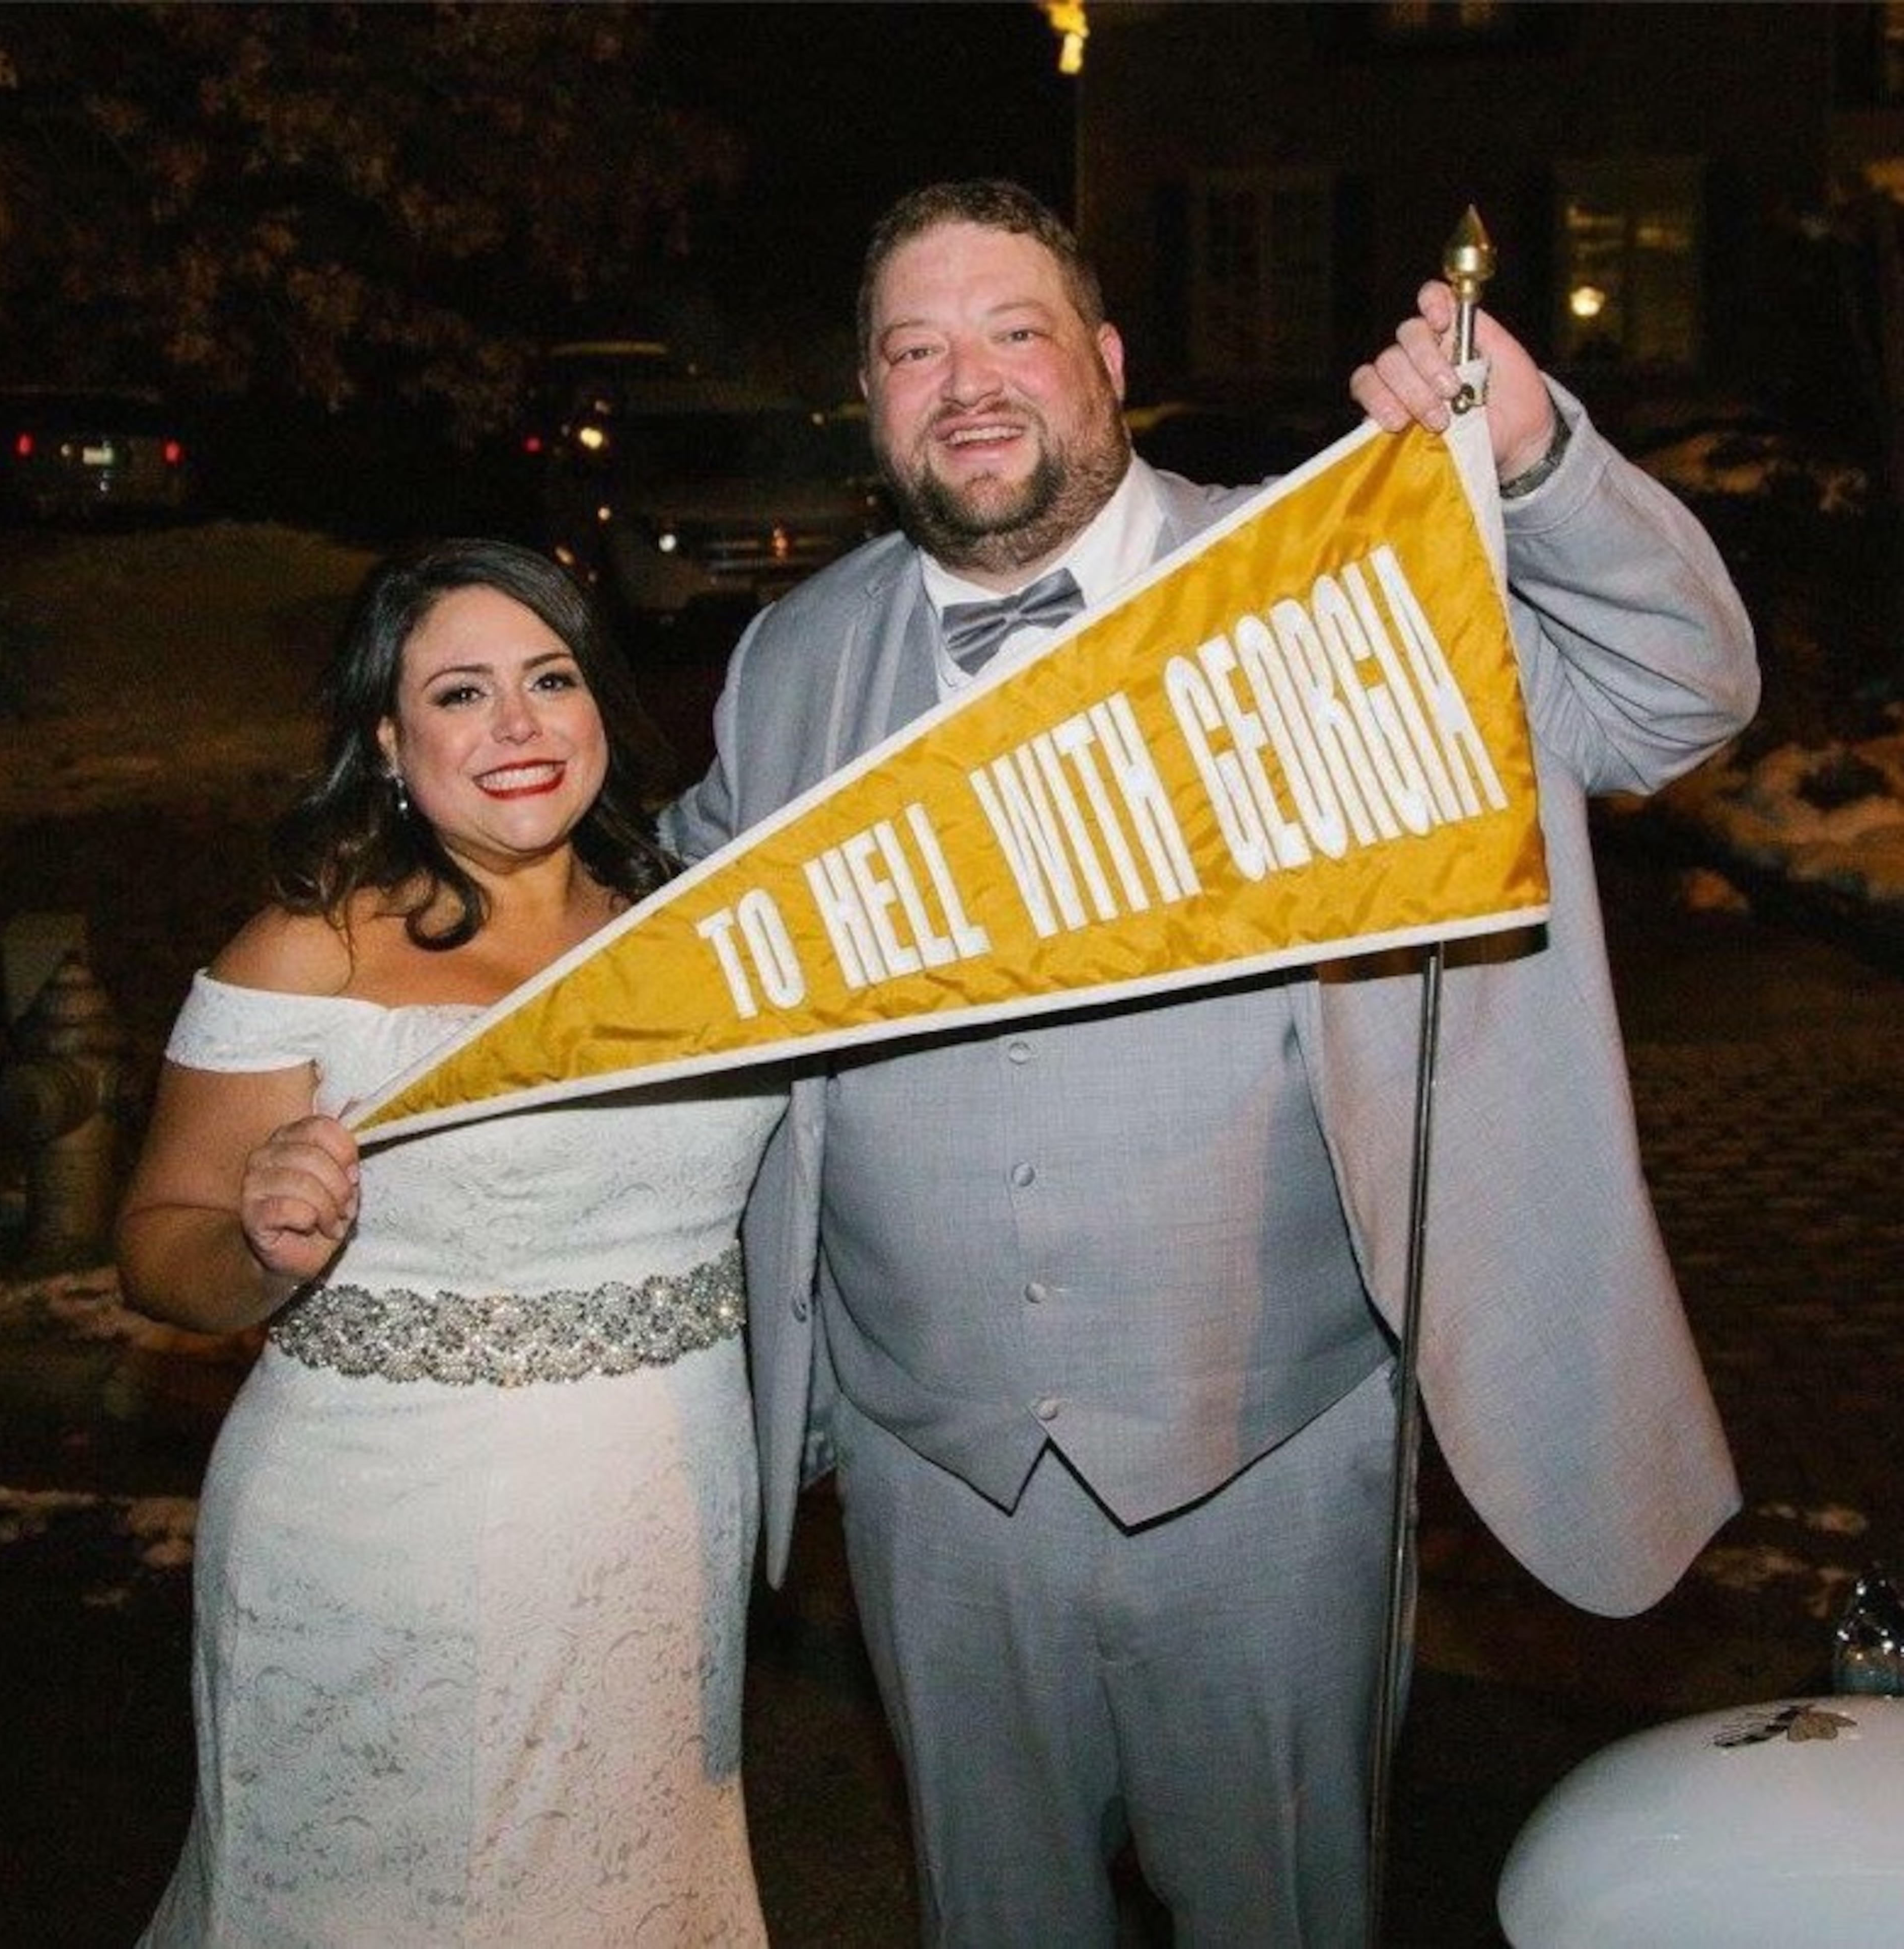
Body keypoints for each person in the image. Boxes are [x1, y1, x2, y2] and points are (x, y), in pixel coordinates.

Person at [664, 179, 1757, 1945]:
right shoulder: (789, 659)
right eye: (915, 349)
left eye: (1015, 331)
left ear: (1104, 362)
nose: (969, 383)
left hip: (1269, 1466)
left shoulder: (1325, 584)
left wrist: (1541, 459)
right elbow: (691, 923)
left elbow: (1674, 696)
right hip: (928, 1480)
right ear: (868, 402)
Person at [117, 537, 784, 1946]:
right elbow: (157, 1249)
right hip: (378, 1540)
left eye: (549, 678)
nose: (520, 727)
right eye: (462, 695)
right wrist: (259, 1247)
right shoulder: (310, 952)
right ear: (388, 739)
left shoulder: (702, 934)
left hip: (661, 1524)